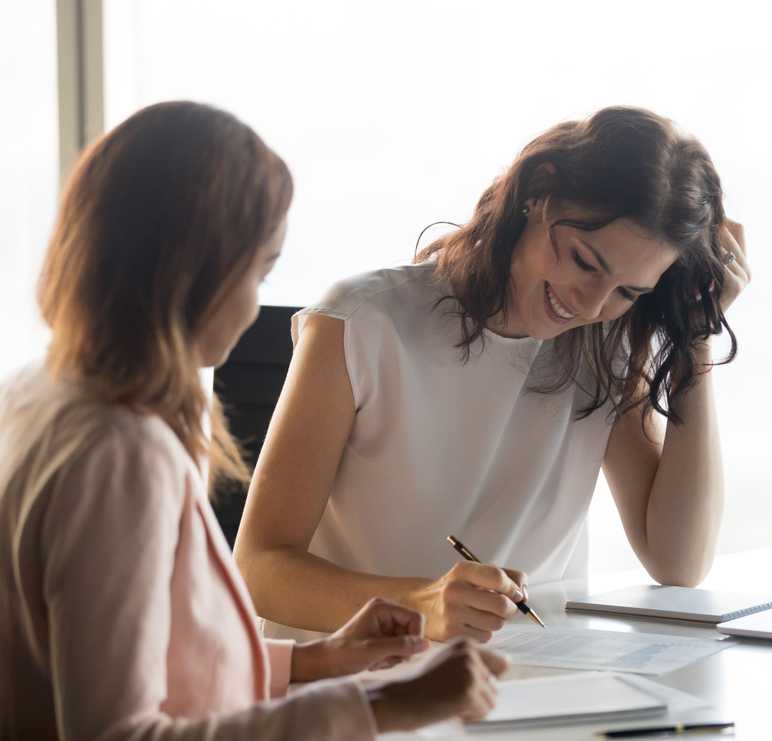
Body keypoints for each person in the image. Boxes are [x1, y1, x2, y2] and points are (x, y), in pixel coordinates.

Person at [0, 101, 506, 740]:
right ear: (192, 274)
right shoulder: (120, 452)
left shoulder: (38, 392)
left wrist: (315, 662)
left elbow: (139, 657)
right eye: (260, 271)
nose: (253, 308)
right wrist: (382, 708)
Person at [234, 106, 751, 644]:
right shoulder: (362, 321)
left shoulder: (607, 344)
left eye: (629, 291)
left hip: (531, 678)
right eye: (584, 261)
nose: (591, 303)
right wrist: (420, 606)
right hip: (359, 682)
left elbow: (678, 562)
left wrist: (697, 339)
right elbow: (259, 568)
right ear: (538, 192)